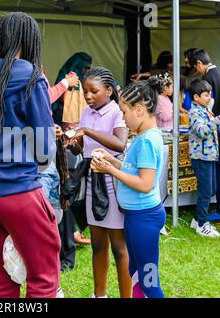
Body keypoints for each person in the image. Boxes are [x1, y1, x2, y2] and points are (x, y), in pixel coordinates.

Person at [0, 12, 60, 298]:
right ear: (29, 40)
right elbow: (45, 147)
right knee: (43, 280)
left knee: (1, 279)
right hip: (18, 191)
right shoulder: (31, 77)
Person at [90, 76, 166, 298]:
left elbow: (145, 184)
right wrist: (112, 161)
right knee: (136, 273)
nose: (122, 119)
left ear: (139, 110)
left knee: (149, 279)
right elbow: (134, 170)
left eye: (124, 112)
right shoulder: (144, 137)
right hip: (136, 217)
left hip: (144, 218)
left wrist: (110, 171)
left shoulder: (147, 141)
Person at [66, 67, 130, 298]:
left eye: (94, 91)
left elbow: (120, 144)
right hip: (93, 182)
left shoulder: (117, 112)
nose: (88, 96)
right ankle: (99, 294)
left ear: (109, 91)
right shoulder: (87, 113)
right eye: (85, 91)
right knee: (97, 245)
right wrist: (73, 142)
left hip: (112, 183)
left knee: (119, 247)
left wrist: (86, 131)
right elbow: (83, 148)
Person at [191, 49, 220, 223]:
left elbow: (212, 125)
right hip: (206, 152)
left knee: (216, 180)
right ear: (197, 97)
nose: (209, 98)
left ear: (199, 63)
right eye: (207, 95)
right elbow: (202, 129)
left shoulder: (207, 79)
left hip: (214, 145)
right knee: (210, 186)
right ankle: (205, 218)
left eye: (209, 95)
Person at [52, 52, 92, 125]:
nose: (87, 71)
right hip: (62, 113)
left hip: (77, 115)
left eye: (88, 68)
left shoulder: (85, 78)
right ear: (77, 65)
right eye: (85, 68)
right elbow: (60, 98)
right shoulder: (67, 76)